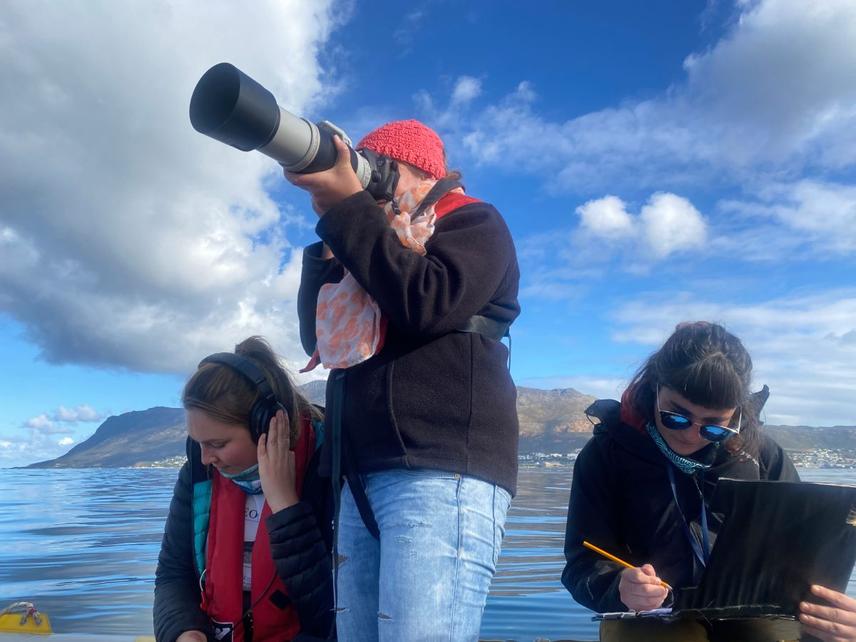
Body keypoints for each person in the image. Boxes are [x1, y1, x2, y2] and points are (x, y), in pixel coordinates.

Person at [286, 120, 520, 641]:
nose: (368, 183)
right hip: (360, 477)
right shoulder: (369, 239)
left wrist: (351, 212)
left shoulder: (475, 222)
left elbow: (427, 302)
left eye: (377, 169)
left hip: (438, 470)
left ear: (417, 171)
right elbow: (315, 337)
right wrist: (332, 232)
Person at [561, 321, 856, 642]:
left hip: (754, 611)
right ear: (655, 387)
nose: (690, 434)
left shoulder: (763, 456)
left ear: (736, 415)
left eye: (714, 427)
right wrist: (618, 587)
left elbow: (807, 558)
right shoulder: (607, 452)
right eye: (676, 416)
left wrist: (837, 617)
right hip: (651, 615)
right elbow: (582, 564)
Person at [153, 337, 334, 642]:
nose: (205, 458)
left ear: (264, 426)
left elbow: (334, 615)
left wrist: (287, 509)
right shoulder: (199, 472)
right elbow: (173, 575)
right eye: (198, 443)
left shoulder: (327, 468)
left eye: (218, 444)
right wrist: (185, 631)